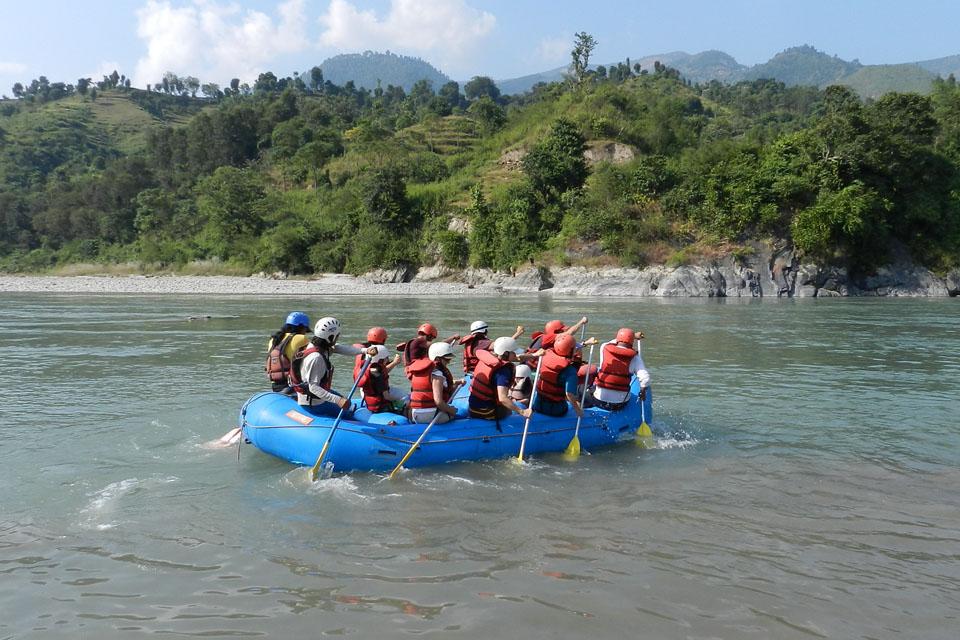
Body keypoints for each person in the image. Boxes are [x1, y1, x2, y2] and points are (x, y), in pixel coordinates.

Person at [289, 317, 376, 417]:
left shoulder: (318, 346)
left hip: (316, 396)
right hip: (314, 404)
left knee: (349, 404)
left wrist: (364, 351)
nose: (338, 338)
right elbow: (313, 388)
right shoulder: (316, 358)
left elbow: (340, 348)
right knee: (349, 412)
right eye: (337, 336)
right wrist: (338, 400)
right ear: (331, 337)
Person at [469, 336, 533, 421]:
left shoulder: (490, 357)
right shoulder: (503, 371)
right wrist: (522, 412)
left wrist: (534, 355)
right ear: (506, 354)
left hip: (472, 407)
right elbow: (502, 398)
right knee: (508, 410)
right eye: (513, 353)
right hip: (486, 411)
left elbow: (516, 358)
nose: (515, 354)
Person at [592, 327, 650, 411]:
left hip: (599, 401)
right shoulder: (635, 358)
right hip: (619, 404)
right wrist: (643, 392)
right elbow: (645, 379)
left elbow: (612, 342)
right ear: (632, 342)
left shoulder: (604, 347)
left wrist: (633, 336)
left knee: (584, 390)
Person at [405, 342, 463, 424]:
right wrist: (452, 411)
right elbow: (438, 402)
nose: (449, 362)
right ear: (438, 359)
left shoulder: (420, 371)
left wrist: (456, 382)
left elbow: (428, 386)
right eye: (447, 360)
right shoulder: (437, 374)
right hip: (430, 415)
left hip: (414, 415)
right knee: (454, 413)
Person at [533, 334, 584, 418]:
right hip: (556, 410)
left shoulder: (545, 355)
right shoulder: (570, 371)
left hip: (537, 404)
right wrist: (578, 411)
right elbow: (569, 394)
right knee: (576, 403)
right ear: (571, 351)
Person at [265, 311, 311, 393]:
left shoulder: (273, 340)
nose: (305, 332)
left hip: (275, 385)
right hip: (292, 386)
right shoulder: (301, 338)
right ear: (301, 327)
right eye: (305, 330)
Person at [357, 345, 405, 413]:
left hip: (367, 398)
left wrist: (394, 363)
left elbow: (384, 371)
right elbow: (386, 396)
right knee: (405, 397)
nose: (387, 360)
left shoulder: (367, 369)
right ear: (380, 360)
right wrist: (397, 403)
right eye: (386, 358)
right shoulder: (379, 376)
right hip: (379, 405)